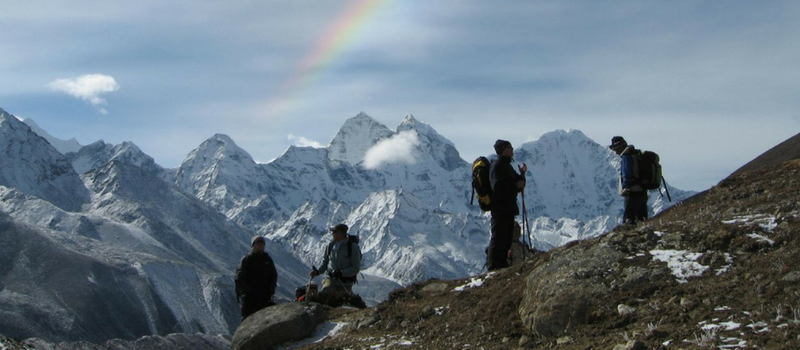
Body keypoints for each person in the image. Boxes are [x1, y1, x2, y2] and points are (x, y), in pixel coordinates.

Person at [488, 140, 527, 271]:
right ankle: (494, 266)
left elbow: (519, 183)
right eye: (509, 147)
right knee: (498, 237)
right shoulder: (497, 165)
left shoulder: (506, 166)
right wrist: (515, 186)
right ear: (503, 150)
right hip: (500, 208)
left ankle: (502, 263)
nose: (512, 149)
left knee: (505, 237)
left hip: (508, 208)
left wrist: (522, 175)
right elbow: (497, 187)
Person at [310, 223, 361, 295]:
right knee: (326, 292)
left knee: (341, 300)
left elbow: (355, 268)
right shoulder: (330, 246)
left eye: (335, 232)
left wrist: (341, 273)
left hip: (345, 282)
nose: (332, 234)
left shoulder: (352, 247)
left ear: (341, 234)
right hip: (330, 278)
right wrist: (317, 272)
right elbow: (325, 262)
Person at [235, 235, 278, 320]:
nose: (260, 245)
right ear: (253, 245)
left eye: (262, 243)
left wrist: (270, 291)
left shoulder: (268, 259)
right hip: (249, 297)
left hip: (264, 296)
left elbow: (274, 276)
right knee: (247, 320)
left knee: (264, 320)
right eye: (258, 242)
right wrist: (246, 292)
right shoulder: (247, 259)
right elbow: (239, 277)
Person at [610, 136, 648, 224]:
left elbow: (627, 173)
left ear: (618, 147)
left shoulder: (626, 156)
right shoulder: (636, 154)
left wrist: (624, 187)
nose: (615, 152)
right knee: (642, 219)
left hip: (632, 191)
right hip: (642, 190)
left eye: (615, 149)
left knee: (629, 219)